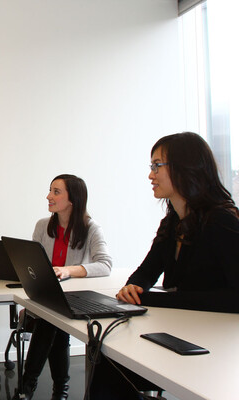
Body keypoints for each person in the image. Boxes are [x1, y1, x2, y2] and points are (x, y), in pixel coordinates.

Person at [93, 132, 239, 398]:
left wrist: (169, 300)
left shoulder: (222, 221)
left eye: (157, 166)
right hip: (181, 333)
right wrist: (134, 286)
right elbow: (147, 271)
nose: (151, 175)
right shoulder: (172, 223)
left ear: (186, 167)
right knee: (107, 362)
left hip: (216, 348)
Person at [14, 174, 112, 400]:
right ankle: (59, 391)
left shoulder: (90, 228)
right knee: (52, 320)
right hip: (46, 298)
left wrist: (69, 270)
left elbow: (105, 264)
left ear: (73, 199)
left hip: (74, 299)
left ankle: (27, 389)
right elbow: (32, 264)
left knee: (50, 320)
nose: (49, 196)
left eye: (56, 192)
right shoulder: (42, 226)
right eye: (50, 190)